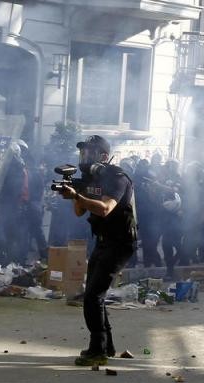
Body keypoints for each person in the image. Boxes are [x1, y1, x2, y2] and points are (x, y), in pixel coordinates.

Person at [57, 135, 137, 367]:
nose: (84, 157)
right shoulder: (89, 178)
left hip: (121, 242)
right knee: (94, 295)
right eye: (82, 153)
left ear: (103, 156)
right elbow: (79, 213)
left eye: (90, 153)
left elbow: (105, 209)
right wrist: (72, 193)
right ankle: (107, 346)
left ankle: (97, 350)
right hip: (102, 241)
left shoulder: (116, 177)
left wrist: (77, 195)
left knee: (93, 296)